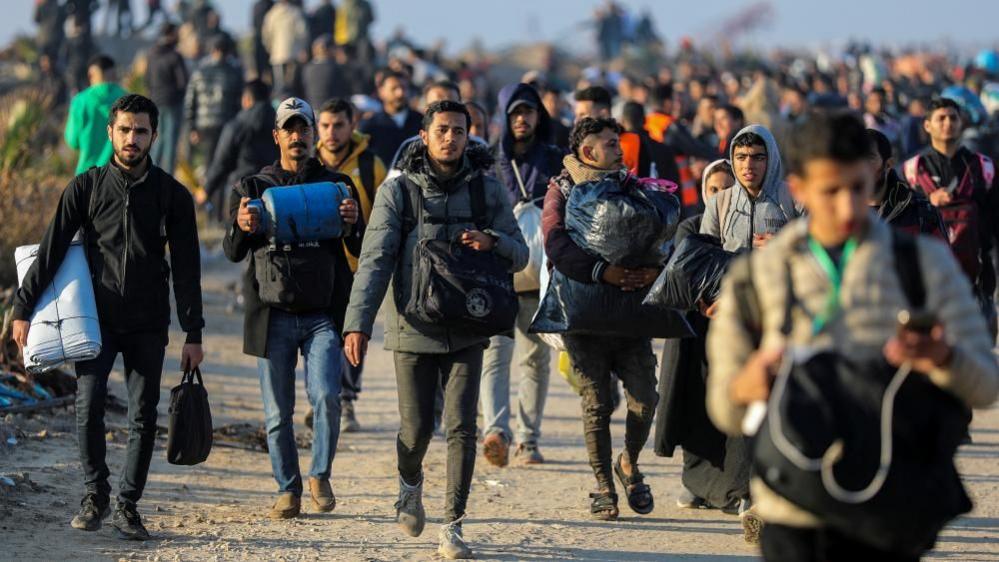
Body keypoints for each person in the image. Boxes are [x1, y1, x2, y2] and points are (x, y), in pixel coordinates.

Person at [706, 110, 998, 561]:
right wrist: (751, 381)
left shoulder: (924, 266)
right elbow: (724, 409)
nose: (847, 207)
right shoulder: (756, 278)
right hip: (792, 508)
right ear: (799, 188)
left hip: (891, 502)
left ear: (874, 176)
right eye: (830, 191)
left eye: (858, 188)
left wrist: (942, 357)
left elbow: (985, 385)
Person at [12, 94, 204, 540]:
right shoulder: (86, 187)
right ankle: (95, 494)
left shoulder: (172, 195)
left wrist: (193, 332)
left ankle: (127, 506)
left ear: (154, 136)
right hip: (94, 321)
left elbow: (188, 268)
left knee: (143, 415)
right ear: (110, 132)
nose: (132, 138)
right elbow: (52, 249)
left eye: (140, 131)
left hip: (148, 322)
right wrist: (23, 307)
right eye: (124, 130)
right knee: (88, 407)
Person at [342, 101, 528, 559]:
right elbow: (375, 260)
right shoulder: (399, 193)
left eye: (459, 131)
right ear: (424, 135)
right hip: (412, 325)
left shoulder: (488, 191)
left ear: (470, 136)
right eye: (442, 130)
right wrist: (357, 324)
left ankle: (454, 525)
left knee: (463, 426)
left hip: (469, 323)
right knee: (417, 429)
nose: (450, 138)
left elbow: (522, 255)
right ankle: (409, 484)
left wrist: (494, 242)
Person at [222, 97, 362, 520]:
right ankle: (288, 490)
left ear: (314, 133)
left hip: (322, 315)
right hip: (272, 315)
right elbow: (231, 251)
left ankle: (319, 474)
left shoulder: (338, 186)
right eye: (290, 128)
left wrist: (353, 222)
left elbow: (358, 247)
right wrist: (243, 226)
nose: (298, 136)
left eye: (305, 128)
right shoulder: (251, 187)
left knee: (326, 398)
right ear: (277, 136)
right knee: (277, 414)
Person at [542, 117, 661, 521]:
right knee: (597, 403)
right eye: (611, 144)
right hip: (584, 316)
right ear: (589, 151)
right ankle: (603, 486)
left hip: (631, 315)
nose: (619, 149)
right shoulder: (561, 188)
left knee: (645, 400)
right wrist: (601, 272)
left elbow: (657, 236)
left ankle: (628, 463)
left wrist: (655, 271)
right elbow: (555, 242)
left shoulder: (633, 186)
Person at [654, 160, 756, 539]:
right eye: (714, 189)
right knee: (695, 404)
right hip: (696, 334)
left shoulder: (756, 229)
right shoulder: (691, 227)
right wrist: (703, 302)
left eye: (728, 189)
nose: (721, 197)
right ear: (703, 192)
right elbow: (681, 275)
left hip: (741, 334)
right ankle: (697, 483)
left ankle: (737, 489)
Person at [478, 83, 564, 467]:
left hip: (540, 276)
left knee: (534, 359)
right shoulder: (488, 161)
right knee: (495, 355)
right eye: (514, 113)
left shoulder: (556, 160)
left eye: (528, 112)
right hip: (498, 272)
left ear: (539, 116)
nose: (521, 119)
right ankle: (496, 432)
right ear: (504, 117)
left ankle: (528, 440)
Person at [315, 96, 388, 432]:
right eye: (325, 125)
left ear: (352, 125)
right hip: (315, 266)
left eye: (339, 125)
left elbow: (385, 216)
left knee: (354, 334)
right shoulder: (308, 162)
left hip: (358, 266)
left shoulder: (371, 165)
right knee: (318, 338)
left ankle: (345, 400)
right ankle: (321, 397)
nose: (331, 132)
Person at [904, 97, 998, 337]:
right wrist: (927, 201)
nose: (948, 123)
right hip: (928, 273)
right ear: (927, 125)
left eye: (953, 118)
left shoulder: (984, 167)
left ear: (962, 122)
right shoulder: (912, 170)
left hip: (977, 272)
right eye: (941, 118)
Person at [699, 124, 802, 252]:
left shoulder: (795, 197)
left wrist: (785, 247)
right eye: (741, 157)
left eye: (758, 158)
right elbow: (703, 258)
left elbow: (821, 248)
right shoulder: (718, 203)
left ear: (771, 159)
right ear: (732, 159)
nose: (748, 165)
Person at [203, 80, 279, 224]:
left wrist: (207, 190)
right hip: (275, 191)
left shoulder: (236, 125)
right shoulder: (280, 125)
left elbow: (221, 162)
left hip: (242, 192)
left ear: (247, 99)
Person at [183, 33, 244, 211]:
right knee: (223, 168)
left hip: (204, 126)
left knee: (209, 166)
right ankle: (218, 208)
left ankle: (207, 207)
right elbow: (239, 103)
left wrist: (192, 127)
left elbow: (190, 101)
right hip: (227, 125)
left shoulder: (199, 72)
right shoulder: (234, 72)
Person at [866, 129, 946, 238]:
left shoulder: (920, 212)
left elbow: (940, 254)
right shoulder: (839, 213)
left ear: (888, 165)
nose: (860, 167)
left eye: (869, 158)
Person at [65, 55, 128, 175]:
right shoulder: (127, 99)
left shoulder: (80, 101)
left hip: (87, 176)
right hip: (120, 177)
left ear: (91, 74)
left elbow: (73, 141)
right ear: (114, 73)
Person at [145, 23, 188, 174]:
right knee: (170, 141)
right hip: (172, 103)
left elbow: (147, 80)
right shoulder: (175, 56)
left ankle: (150, 173)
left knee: (157, 140)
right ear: (171, 34)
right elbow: (183, 82)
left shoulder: (151, 54)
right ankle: (167, 176)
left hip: (155, 102)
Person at [358, 70, 422, 166]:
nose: (400, 93)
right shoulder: (370, 125)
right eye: (394, 88)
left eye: (403, 88)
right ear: (381, 91)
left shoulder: (421, 122)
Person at [262, 0, 308, 97]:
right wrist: (302, 49)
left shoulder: (271, 15)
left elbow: (266, 36)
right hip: (293, 54)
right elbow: (302, 33)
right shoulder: (295, 13)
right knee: (292, 86)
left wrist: (270, 49)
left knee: (280, 86)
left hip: (277, 55)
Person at [302, 35, 350, 111]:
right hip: (332, 111)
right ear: (329, 50)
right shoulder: (336, 68)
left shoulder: (307, 68)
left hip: (312, 110)